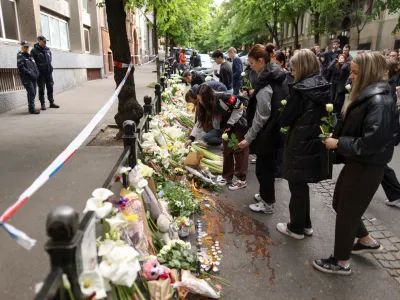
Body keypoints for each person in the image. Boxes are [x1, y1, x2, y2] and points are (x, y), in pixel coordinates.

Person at [314, 52, 397, 275]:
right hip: (360, 163)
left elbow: (372, 141)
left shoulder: (378, 100)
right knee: (340, 204)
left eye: (355, 72)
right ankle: (366, 240)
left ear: (368, 73)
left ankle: (341, 262)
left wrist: (339, 142)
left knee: (346, 213)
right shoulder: (372, 95)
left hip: (366, 165)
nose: (350, 76)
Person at [276, 49, 331, 239]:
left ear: (301, 67)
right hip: (314, 141)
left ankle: (296, 227)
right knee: (301, 185)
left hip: (300, 142)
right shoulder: (321, 85)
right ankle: (305, 224)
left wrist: (284, 109)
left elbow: (285, 119)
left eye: (293, 68)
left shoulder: (301, 90)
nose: (291, 72)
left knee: (296, 185)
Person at [237, 43, 290, 212]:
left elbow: (262, 115)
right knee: (267, 166)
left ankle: (267, 203)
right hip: (275, 129)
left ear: (261, 61)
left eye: (252, 63)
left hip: (267, 132)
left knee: (263, 169)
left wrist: (248, 138)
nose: (251, 67)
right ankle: (265, 195)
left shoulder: (266, 81)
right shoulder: (278, 74)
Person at [185, 85, 249, 190]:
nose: (199, 102)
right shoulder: (204, 105)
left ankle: (241, 180)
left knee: (239, 150)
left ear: (207, 98)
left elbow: (239, 108)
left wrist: (230, 124)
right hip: (225, 126)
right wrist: (191, 137)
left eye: (201, 100)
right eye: (199, 100)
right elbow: (200, 122)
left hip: (238, 123)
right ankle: (227, 176)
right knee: (226, 150)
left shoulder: (224, 97)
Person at [381, 59, 400, 208]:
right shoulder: (387, 87)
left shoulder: (388, 88)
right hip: (385, 134)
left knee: (380, 166)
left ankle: (397, 194)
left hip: (383, 134)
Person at [30, 36, 60, 110]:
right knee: (42, 89)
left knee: (50, 88)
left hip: (49, 73)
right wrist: (37, 71)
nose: (45, 42)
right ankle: (42, 104)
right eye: (43, 41)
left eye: (45, 41)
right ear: (39, 41)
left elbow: (50, 60)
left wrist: (50, 67)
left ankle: (51, 102)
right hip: (41, 74)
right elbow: (32, 63)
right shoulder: (34, 51)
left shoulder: (47, 50)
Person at [17, 41, 40, 114]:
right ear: (22, 47)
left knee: (34, 92)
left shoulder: (30, 55)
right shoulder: (20, 55)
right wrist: (30, 73)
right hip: (26, 78)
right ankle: (31, 109)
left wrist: (37, 73)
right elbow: (21, 67)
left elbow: (34, 65)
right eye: (25, 47)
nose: (26, 48)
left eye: (27, 47)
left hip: (33, 77)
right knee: (31, 92)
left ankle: (31, 108)